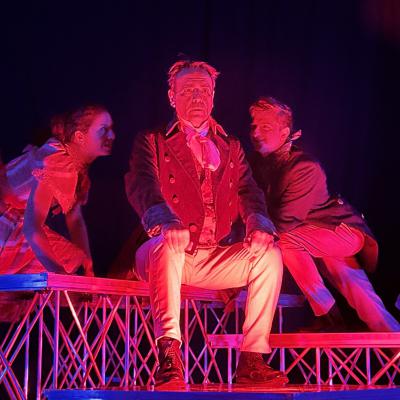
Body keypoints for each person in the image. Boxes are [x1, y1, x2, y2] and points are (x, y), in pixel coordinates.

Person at [125, 60, 287, 387]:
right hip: (161, 252)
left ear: (213, 97)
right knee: (168, 248)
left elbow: (247, 190)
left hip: (211, 255)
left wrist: (257, 222)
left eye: (204, 90)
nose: (197, 96)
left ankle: (252, 360)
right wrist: (165, 220)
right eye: (188, 90)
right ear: (172, 97)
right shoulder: (153, 140)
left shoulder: (231, 146)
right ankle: (169, 355)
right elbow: (142, 183)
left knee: (269, 256)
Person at [248, 96, 400, 333]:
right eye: (254, 126)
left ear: (285, 132)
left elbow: (283, 223)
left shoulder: (304, 167)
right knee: (360, 293)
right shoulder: (260, 165)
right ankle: (394, 341)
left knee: (282, 239)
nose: (256, 133)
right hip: (316, 236)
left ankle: (328, 315)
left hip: (340, 232)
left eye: (265, 127)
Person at [0, 104, 115, 277]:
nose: (112, 136)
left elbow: (75, 219)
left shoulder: (74, 170)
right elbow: (32, 227)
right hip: (6, 221)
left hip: (14, 222)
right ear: (79, 136)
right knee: (63, 259)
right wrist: (59, 274)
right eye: (103, 129)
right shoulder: (56, 162)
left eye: (111, 129)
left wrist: (87, 263)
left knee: (72, 258)